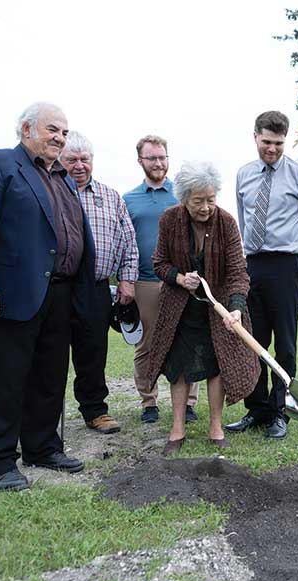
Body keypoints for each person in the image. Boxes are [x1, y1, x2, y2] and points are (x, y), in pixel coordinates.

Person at [0, 102, 96, 491]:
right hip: (9, 293)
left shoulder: (64, 178)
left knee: (48, 376)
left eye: (64, 133)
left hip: (59, 294)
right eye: (53, 129)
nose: (60, 138)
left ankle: (43, 447)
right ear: (26, 129)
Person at [146, 162, 260, 453]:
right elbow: (159, 263)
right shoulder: (169, 219)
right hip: (180, 311)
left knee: (217, 366)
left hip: (218, 309)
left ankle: (216, 427)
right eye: (199, 201)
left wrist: (235, 307)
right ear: (184, 198)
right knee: (179, 369)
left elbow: (238, 271)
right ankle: (177, 429)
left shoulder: (226, 222)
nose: (206, 207)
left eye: (211, 199)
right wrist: (180, 278)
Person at [229, 110, 298, 439]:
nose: (272, 149)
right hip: (254, 264)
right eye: (267, 142)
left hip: (287, 265)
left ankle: (280, 410)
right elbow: (243, 221)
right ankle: (257, 409)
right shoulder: (243, 175)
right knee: (254, 340)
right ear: (255, 137)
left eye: (279, 143)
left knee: (285, 343)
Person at [61, 131, 139, 435]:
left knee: (93, 353)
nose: (79, 165)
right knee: (50, 354)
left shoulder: (110, 197)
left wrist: (127, 281)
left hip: (95, 288)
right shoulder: (52, 191)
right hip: (57, 287)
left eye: (85, 159)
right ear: (60, 160)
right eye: (72, 159)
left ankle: (95, 410)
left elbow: (129, 243)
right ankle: (44, 417)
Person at [123, 135, 199, 424]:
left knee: (187, 339)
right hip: (144, 281)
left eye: (162, 157)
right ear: (140, 160)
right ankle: (149, 402)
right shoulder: (128, 199)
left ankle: (189, 403)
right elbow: (125, 244)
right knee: (147, 345)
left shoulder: (182, 195)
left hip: (181, 282)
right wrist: (126, 281)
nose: (158, 162)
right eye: (151, 157)